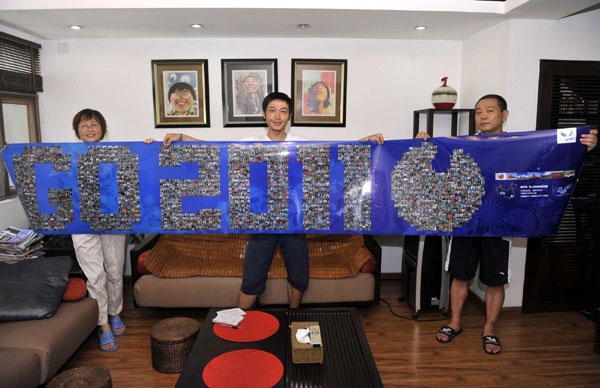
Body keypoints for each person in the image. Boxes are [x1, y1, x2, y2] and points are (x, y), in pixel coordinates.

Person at [147, 92, 383, 308]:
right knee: (252, 278)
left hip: (294, 223)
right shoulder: (250, 141)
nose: (277, 116)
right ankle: (242, 323)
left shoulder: (299, 142)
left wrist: (367, 142)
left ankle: (293, 315)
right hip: (261, 222)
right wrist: (180, 137)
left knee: (299, 277)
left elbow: (336, 154)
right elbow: (215, 151)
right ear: (264, 114)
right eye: (272, 110)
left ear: (289, 116)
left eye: (282, 111)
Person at [417, 94, 597, 354]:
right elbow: (435, 171)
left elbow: (554, 167)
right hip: (465, 222)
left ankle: (489, 329)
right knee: (459, 275)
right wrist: (424, 146)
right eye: (478, 111)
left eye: (490, 110)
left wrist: (582, 150)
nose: (483, 116)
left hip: (500, 224)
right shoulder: (462, 145)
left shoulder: (521, 146)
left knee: (495, 280)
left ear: (505, 115)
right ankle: (454, 323)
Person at [71, 109, 127, 352]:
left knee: (114, 270)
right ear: (77, 131)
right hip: (81, 222)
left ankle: (115, 313)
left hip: (112, 219)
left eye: (94, 124)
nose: (90, 129)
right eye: (84, 126)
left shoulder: (118, 154)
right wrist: (13, 152)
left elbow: (138, 174)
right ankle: (102, 324)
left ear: (103, 128)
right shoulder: (68, 156)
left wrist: (149, 146)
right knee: (94, 275)